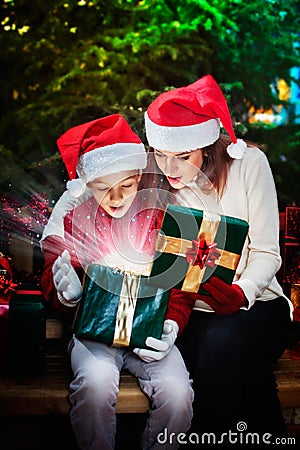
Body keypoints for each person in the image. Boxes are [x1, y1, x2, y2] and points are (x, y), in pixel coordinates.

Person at [141, 74, 293, 444]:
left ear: (206, 147)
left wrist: (242, 291)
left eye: (181, 157)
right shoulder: (162, 186)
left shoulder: (249, 164)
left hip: (259, 307)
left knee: (222, 347)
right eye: (160, 155)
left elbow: (266, 252)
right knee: (244, 367)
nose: (169, 168)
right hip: (193, 315)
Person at [41, 114, 194, 450]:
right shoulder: (75, 220)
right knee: (94, 386)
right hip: (95, 338)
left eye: (125, 186)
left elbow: (179, 287)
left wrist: (172, 324)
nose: (115, 198)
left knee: (179, 392)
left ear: (139, 176)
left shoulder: (162, 221)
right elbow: (53, 279)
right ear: (87, 185)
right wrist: (67, 295)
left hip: (148, 336)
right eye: (102, 188)